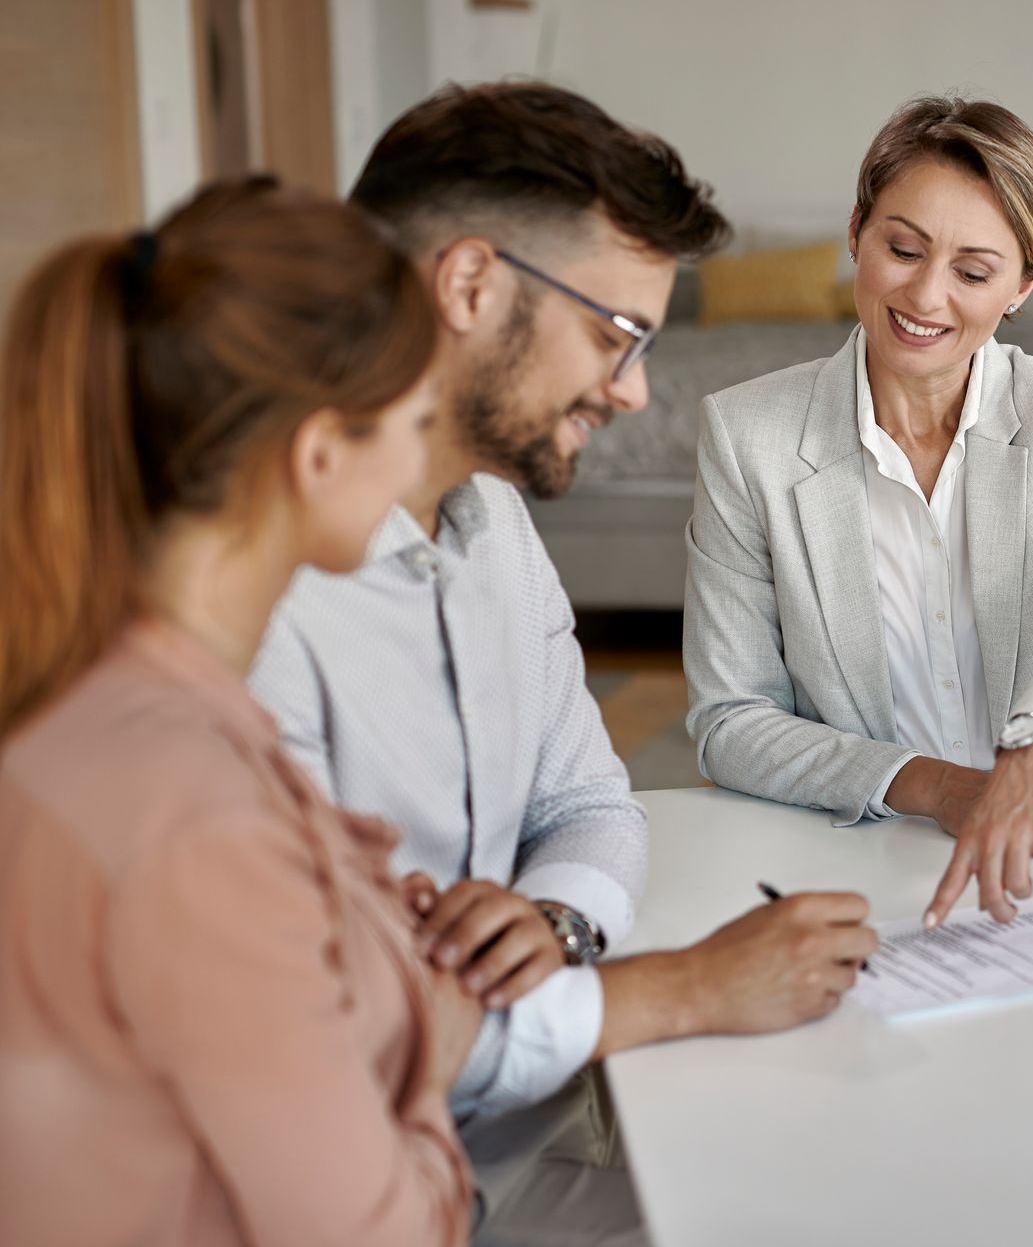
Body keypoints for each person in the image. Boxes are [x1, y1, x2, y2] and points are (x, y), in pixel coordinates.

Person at [248, 82, 878, 1245]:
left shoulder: (492, 519)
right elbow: (307, 1045)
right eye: (616, 332)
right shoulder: (252, 606)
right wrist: (685, 988)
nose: (635, 389)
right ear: (471, 285)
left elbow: (589, 798)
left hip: (523, 1145)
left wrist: (558, 920)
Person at [0, 178, 472, 1244]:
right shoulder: (195, 810)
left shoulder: (104, 696)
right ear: (317, 455)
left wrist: (349, 911)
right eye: (417, 421)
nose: (423, 460)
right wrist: (435, 1058)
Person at [684, 95, 1033, 930]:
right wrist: (938, 785)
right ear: (858, 231)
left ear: (1024, 285)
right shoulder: (747, 433)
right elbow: (730, 721)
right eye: (902, 249)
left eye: (973, 272)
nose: (926, 296)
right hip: (859, 847)